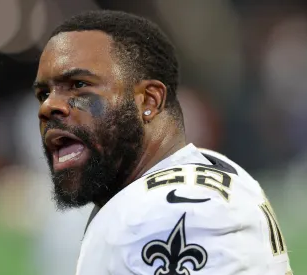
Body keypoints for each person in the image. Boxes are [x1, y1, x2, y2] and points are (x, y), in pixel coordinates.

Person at [33, 10, 293, 275]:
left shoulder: (169, 213)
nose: (48, 106)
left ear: (148, 101)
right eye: (43, 93)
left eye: (79, 84)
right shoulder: (211, 172)